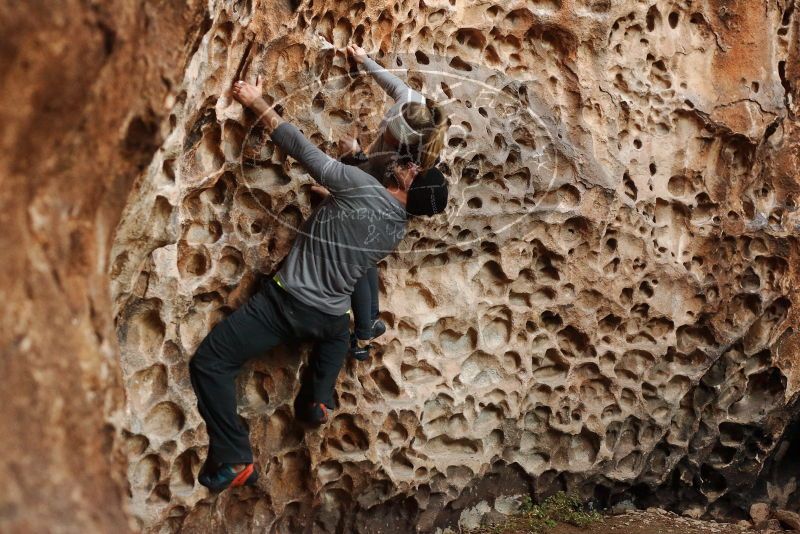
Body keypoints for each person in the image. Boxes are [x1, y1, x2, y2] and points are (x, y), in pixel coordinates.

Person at [188, 75, 448, 492]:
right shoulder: (397, 225)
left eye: (416, 174)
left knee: (210, 363)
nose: (412, 167)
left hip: (285, 306)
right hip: (329, 319)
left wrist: (257, 102)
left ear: (405, 186)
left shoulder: (362, 187)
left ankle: (234, 454)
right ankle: (316, 401)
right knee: (334, 340)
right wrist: (352, 167)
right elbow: (354, 195)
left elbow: (302, 150)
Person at [340, 43, 448, 360]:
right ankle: (370, 321)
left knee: (361, 253)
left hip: (397, 197)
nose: (384, 135)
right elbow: (394, 84)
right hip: (382, 183)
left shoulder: (407, 162)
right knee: (366, 254)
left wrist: (356, 155)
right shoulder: (412, 105)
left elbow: (372, 183)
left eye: (390, 138)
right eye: (387, 128)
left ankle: (362, 332)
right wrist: (364, 59)